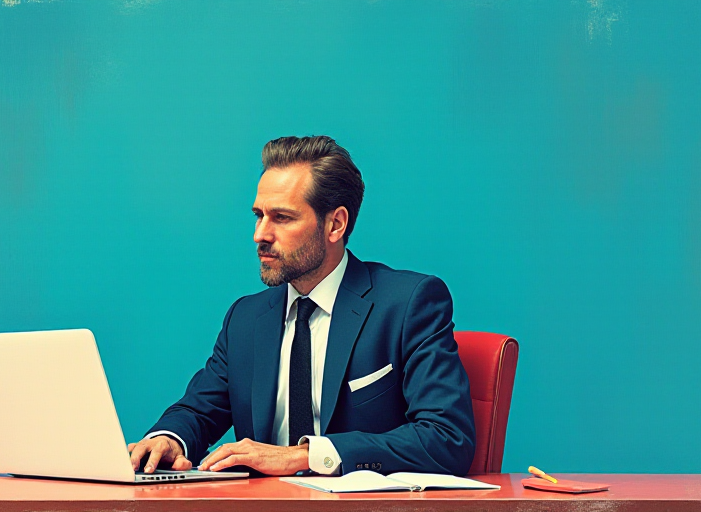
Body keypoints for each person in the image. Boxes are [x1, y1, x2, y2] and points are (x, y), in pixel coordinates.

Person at [127, 136, 476, 477]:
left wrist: (305, 456)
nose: (260, 234)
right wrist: (168, 439)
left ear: (335, 224)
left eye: (282, 217)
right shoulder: (245, 319)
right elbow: (199, 411)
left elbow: (447, 438)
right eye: (258, 215)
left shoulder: (407, 304)